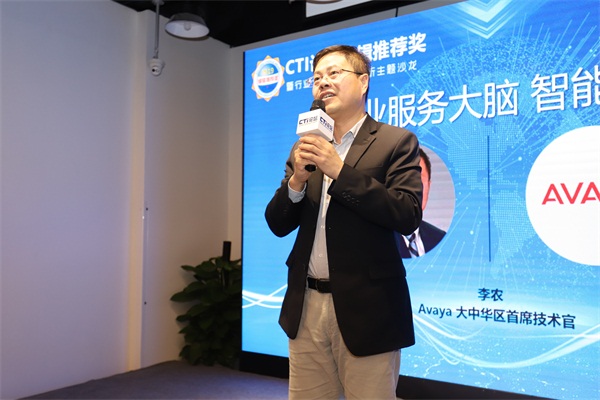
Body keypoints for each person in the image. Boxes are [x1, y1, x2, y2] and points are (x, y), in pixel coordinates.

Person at [265, 45, 423, 399]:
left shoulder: (396, 141)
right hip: (306, 305)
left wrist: (339, 170)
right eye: (317, 78)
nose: (323, 82)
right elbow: (277, 223)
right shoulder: (307, 147)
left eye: (334, 73)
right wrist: (297, 180)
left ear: (363, 82)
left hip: (369, 308)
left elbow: (407, 214)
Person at [398, 148, 447, 258]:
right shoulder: (378, 239)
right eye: (405, 180)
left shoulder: (440, 238)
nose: (413, 189)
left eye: (419, 180)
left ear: (428, 186)